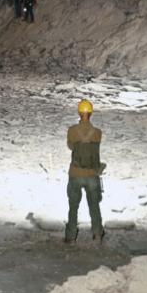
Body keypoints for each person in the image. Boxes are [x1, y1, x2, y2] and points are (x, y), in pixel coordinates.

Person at [65, 99, 105, 245]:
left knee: (73, 207)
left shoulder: (72, 131)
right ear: (91, 113)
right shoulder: (97, 133)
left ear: (79, 112)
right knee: (94, 206)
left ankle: (70, 237)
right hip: (92, 174)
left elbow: (71, 146)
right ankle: (97, 234)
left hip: (75, 173)